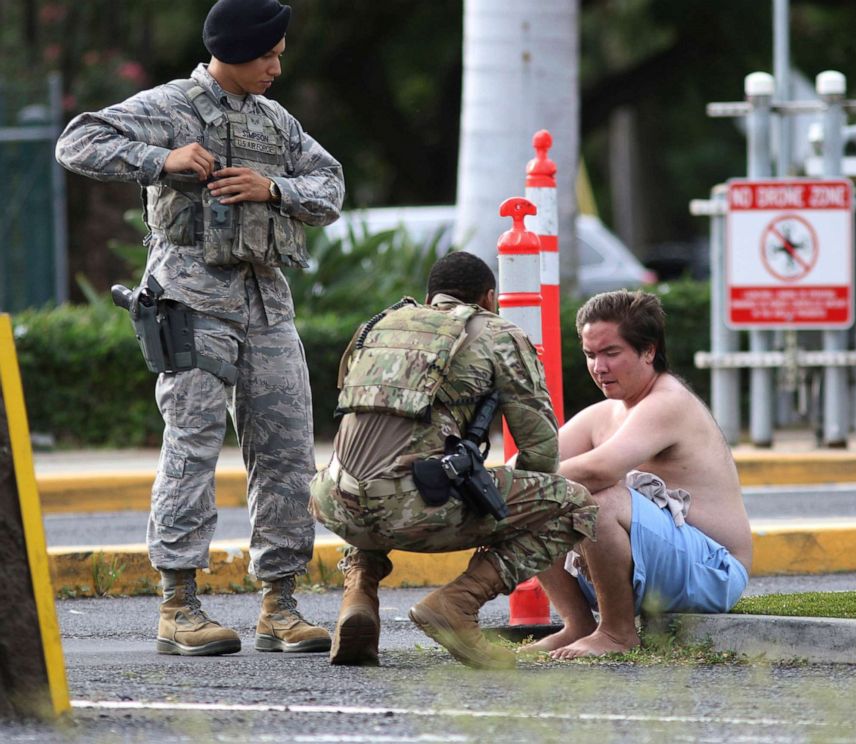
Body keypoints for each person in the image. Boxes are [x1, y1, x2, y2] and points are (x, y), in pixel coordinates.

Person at [56, 0, 345, 656]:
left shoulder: (277, 119)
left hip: (268, 306)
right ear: (234, 52)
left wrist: (274, 188)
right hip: (190, 303)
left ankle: (280, 604)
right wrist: (162, 160)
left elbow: (328, 185)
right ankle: (178, 606)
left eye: (279, 53)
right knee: (192, 447)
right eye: (267, 54)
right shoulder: (170, 105)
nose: (277, 65)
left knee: (287, 453)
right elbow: (77, 142)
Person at [309, 251, 597, 669]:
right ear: (490, 298)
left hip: (333, 501)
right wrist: (511, 512)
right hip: (411, 509)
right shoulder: (498, 334)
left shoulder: (377, 326)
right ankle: (457, 604)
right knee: (574, 504)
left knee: (377, 474)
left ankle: (359, 596)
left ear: (430, 300)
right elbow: (540, 450)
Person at [522, 289, 752, 659]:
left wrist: (518, 486)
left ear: (648, 350)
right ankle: (578, 625)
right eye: (590, 355)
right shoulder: (605, 413)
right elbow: (534, 461)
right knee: (539, 495)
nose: (599, 367)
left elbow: (601, 469)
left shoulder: (668, 401)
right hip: (664, 565)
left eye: (611, 353)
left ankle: (616, 633)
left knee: (599, 495)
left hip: (714, 571)